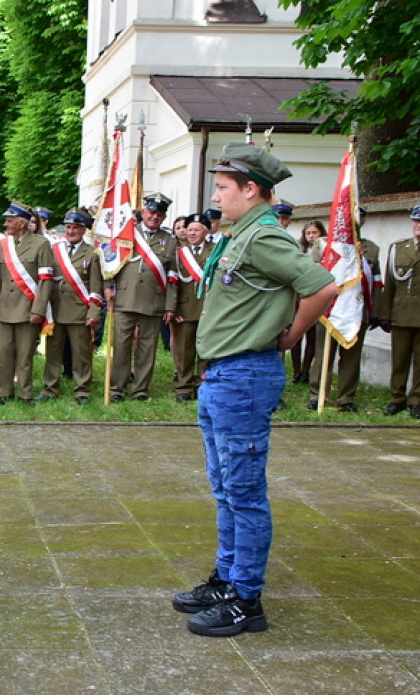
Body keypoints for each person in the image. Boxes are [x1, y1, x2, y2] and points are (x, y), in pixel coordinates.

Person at [173, 143, 336, 637]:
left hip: (245, 374)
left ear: (251, 189)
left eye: (224, 186)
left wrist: (292, 334)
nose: (215, 194)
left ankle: (247, 599)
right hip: (224, 374)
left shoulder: (264, 238)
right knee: (226, 488)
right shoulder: (240, 234)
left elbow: (322, 286)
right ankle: (227, 578)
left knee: (244, 493)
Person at [307, 206, 381, 412]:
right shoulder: (324, 245)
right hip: (329, 309)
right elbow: (313, 276)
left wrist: (374, 311)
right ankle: (317, 394)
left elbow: (376, 282)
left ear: (362, 222)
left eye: (359, 219)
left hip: (357, 309)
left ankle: (346, 397)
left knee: (351, 357)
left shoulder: (371, 249)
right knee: (323, 354)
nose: (354, 222)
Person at [107, 193, 177, 401]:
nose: (154, 217)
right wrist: (107, 287)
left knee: (147, 347)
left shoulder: (170, 241)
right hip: (125, 299)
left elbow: (173, 277)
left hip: (153, 300)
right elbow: (109, 264)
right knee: (121, 345)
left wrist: (170, 306)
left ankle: (140, 388)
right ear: (144, 212)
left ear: (164, 218)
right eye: (151, 212)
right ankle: (117, 387)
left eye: (159, 214)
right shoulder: (127, 234)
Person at [0, 201, 53, 405]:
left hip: (28, 307)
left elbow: (45, 280)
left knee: (25, 355)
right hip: (5, 307)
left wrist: (39, 309)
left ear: (22, 223)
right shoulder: (3, 244)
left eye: (10, 220)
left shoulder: (41, 244)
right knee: (4, 354)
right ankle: (3, 392)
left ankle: (25, 393)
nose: (5, 223)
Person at [37, 207, 102, 404]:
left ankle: (82, 389)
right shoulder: (55, 250)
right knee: (53, 352)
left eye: (75, 227)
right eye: (68, 227)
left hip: (79, 311)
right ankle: (50, 387)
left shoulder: (92, 254)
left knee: (81, 353)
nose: (71, 231)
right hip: (56, 309)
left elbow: (96, 287)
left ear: (84, 230)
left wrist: (93, 312)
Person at [376, 205, 420, 418]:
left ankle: (417, 399)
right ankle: (397, 398)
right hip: (401, 314)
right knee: (399, 359)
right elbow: (389, 285)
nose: (418, 226)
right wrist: (385, 314)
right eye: (416, 221)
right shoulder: (398, 248)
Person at [172, 213, 212, 402]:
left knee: (205, 349)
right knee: (185, 350)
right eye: (190, 230)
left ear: (206, 231)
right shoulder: (179, 252)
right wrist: (174, 309)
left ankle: (203, 385)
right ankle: (184, 387)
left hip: (208, 307)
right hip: (185, 308)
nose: (192, 233)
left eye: (197, 229)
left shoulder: (216, 250)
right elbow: (173, 283)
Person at [288, 219, 327, 384]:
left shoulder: (326, 249)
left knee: (312, 336)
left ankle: (306, 371)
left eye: (314, 233)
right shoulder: (298, 249)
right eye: (308, 233)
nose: (311, 236)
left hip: (315, 296)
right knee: (295, 334)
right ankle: (296, 371)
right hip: (297, 296)